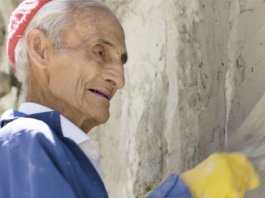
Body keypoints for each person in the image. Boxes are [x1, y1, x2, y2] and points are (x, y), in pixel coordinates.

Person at [0, 0, 260, 197]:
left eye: (121, 60)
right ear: (40, 49)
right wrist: (187, 191)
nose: (119, 80)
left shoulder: (45, 148)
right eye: (99, 51)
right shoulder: (26, 140)